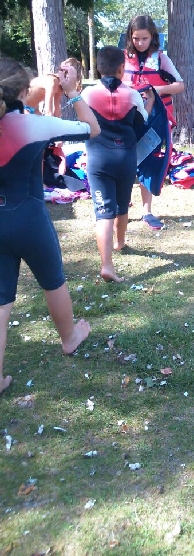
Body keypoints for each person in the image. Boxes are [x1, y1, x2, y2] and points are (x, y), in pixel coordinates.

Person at [0, 58, 100, 394]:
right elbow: (92, 128)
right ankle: (69, 338)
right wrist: (72, 93)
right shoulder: (34, 124)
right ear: (24, 91)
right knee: (53, 280)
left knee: (1, 300)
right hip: (29, 220)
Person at [81, 46, 152, 282]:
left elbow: (82, 122)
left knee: (103, 213)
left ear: (98, 67)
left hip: (98, 159)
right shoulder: (131, 94)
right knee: (122, 206)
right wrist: (150, 102)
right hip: (125, 158)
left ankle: (106, 265)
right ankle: (120, 243)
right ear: (122, 68)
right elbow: (142, 122)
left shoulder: (88, 94)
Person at [122, 15, 184, 230]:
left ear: (153, 37)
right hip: (127, 118)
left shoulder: (161, 59)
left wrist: (156, 90)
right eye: (136, 38)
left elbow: (179, 85)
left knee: (147, 161)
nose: (140, 43)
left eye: (145, 38)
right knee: (124, 162)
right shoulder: (122, 58)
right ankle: (122, 204)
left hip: (154, 119)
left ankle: (147, 211)